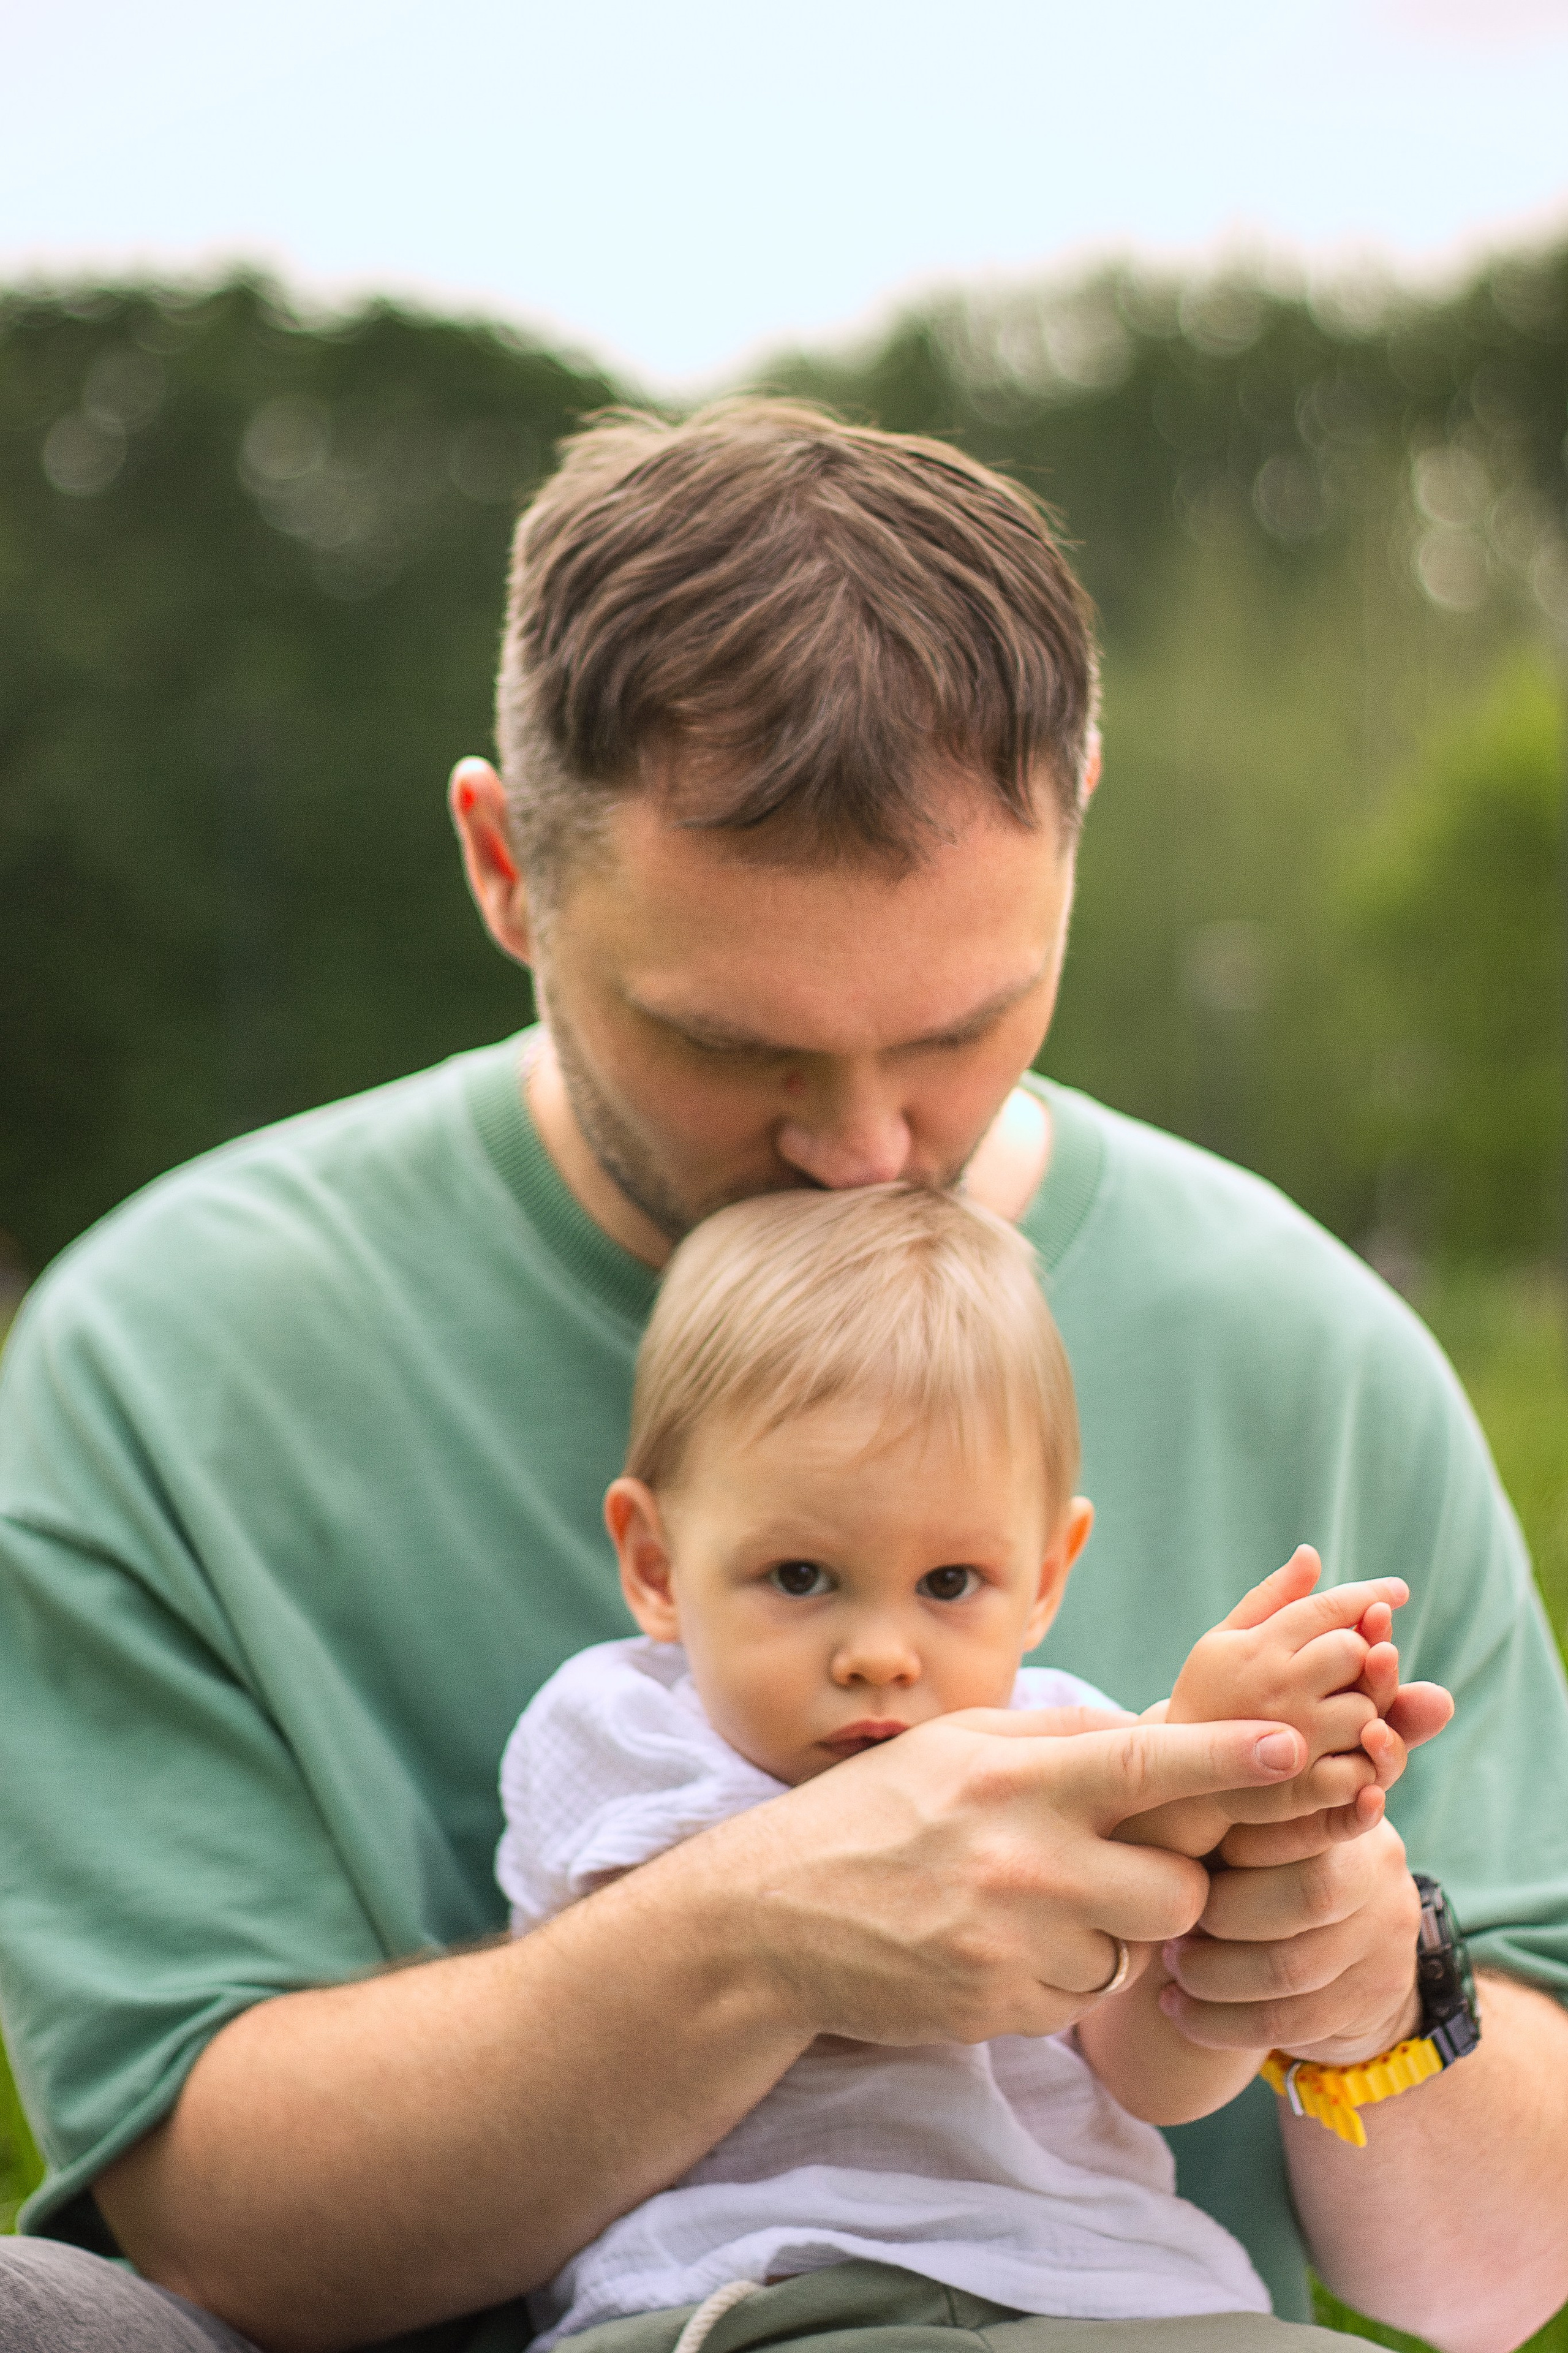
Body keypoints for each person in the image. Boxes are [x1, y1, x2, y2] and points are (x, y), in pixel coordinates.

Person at [0, 398, 1565, 2353]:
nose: (864, 1147)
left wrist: (1358, 1997)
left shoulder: (1316, 1351)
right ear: (506, 870)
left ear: (1083, 816)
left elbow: (1505, 2288)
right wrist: (757, 1933)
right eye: (733, 1045)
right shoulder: (167, 1357)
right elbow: (227, 2233)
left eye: (963, 1025)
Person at [496, 1182, 1441, 2351]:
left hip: (1101, 2292)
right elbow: (646, 2024)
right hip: (757, 2296)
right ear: (654, 1561)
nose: (882, 1655)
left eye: (950, 1584)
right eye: (799, 1576)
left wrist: (1227, 1811)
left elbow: (1157, 2079)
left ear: (1046, 1574)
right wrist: (1152, 1826)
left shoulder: (1074, 1741)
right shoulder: (622, 1730)